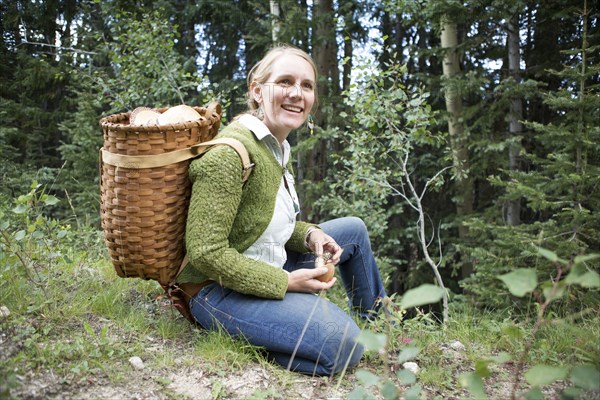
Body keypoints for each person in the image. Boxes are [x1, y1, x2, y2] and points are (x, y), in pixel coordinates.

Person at [176, 44, 387, 376]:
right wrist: (285, 282)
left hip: (260, 262)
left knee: (353, 230)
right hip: (216, 292)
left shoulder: (276, 147)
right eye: (285, 81)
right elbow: (205, 253)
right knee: (345, 342)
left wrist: (311, 235)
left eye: (307, 85)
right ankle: (259, 343)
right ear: (258, 91)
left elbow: (265, 224)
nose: (297, 94)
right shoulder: (229, 155)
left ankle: (379, 338)